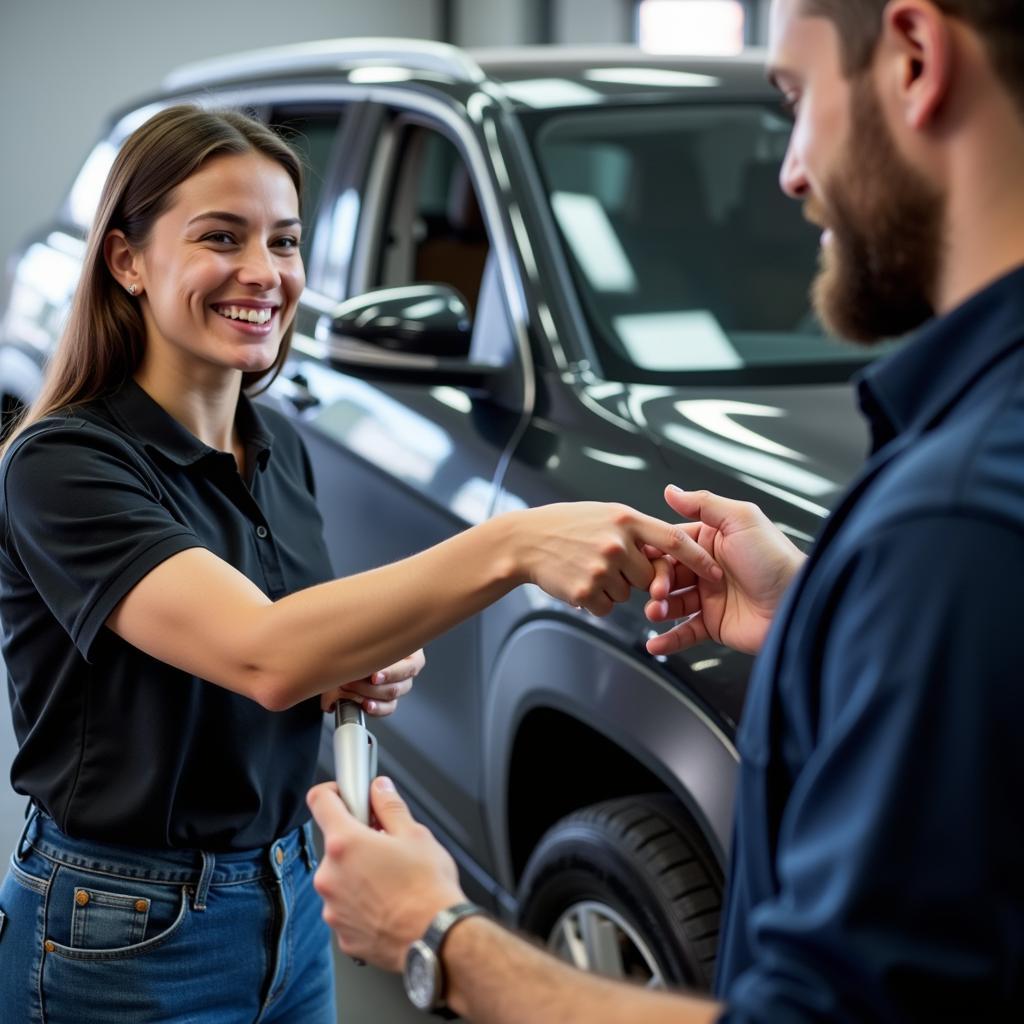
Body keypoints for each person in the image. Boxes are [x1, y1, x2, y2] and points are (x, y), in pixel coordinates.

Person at [307, 0, 1024, 1019]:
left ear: (913, 57)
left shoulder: (947, 524)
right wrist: (821, 615)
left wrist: (439, 938)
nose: (788, 171)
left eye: (797, 97)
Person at [0, 105, 720, 1023]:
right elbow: (265, 651)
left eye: (286, 242)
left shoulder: (278, 448)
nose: (264, 273)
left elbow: (297, 642)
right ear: (127, 260)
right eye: (222, 237)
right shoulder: (63, 465)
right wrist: (513, 544)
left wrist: (356, 660)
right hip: (120, 926)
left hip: (292, 893)